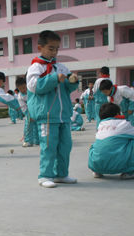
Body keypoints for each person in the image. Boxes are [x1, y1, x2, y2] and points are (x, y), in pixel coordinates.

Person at [26, 30, 79, 188]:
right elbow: (35, 86)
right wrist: (54, 78)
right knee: (48, 146)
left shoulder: (61, 67)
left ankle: (61, 174)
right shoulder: (36, 67)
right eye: (50, 48)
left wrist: (72, 81)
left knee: (65, 145)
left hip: (63, 115)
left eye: (57, 49)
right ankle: (45, 175)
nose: (54, 52)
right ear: (40, 47)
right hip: (47, 115)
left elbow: (67, 89)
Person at [89, 103, 134, 179]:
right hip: (117, 166)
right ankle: (130, 172)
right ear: (117, 114)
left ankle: (97, 171)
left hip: (97, 166)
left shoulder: (101, 126)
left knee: (95, 146)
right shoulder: (123, 124)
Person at [16, 76, 39, 148]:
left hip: (37, 110)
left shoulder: (32, 90)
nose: (23, 90)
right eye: (20, 89)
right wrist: (28, 115)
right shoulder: (20, 96)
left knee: (37, 126)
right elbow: (23, 107)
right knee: (28, 126)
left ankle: (37, 140)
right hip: (28, 112)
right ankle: (28, 141)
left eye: (24, 87)